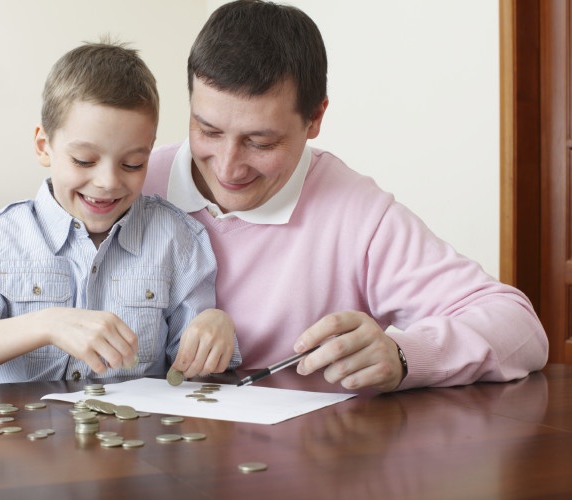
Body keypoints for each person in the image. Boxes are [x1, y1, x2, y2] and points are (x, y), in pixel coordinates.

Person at [144, 0, 548, 392]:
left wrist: (404, 355)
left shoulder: (357, 213)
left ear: (315, 118)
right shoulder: (132, 182)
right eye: (208, 131)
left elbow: (519, 327)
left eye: (261, 142)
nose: (228, 167)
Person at [0, 41, 240, 385]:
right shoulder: (2, 237)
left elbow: (192, 374)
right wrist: (47, 325)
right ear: (43, 146)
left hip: (131, 435)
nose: (108, 182)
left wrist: (216, 328)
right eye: (84, 161)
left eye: (132, 163)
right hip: (17, 435)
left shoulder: (177, 239)